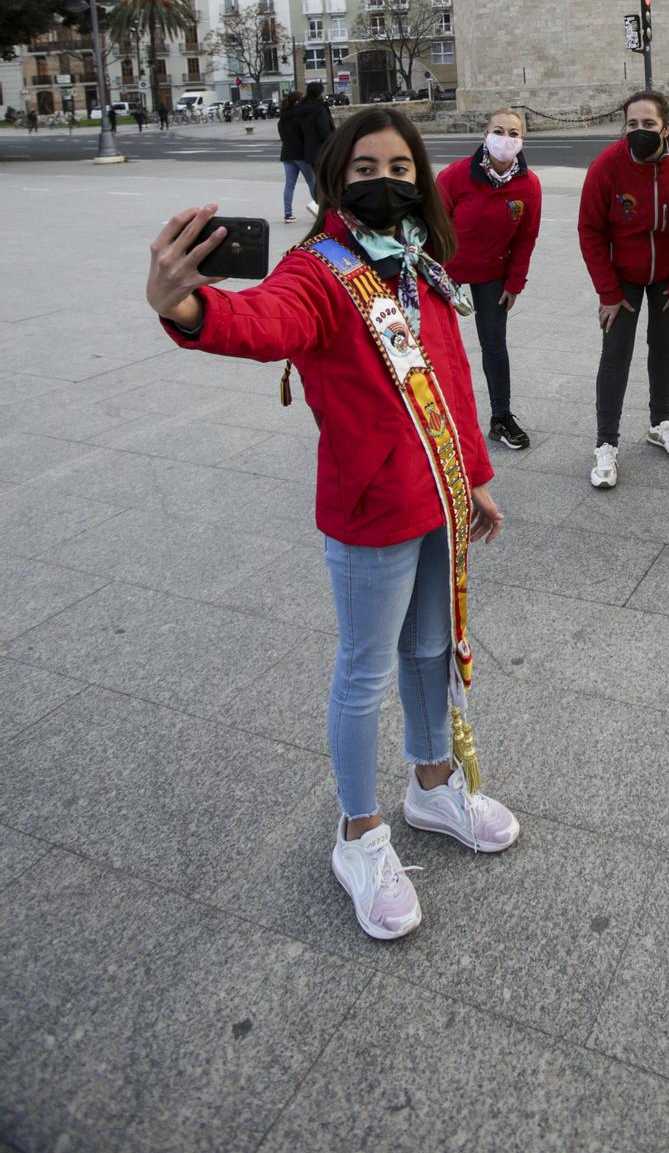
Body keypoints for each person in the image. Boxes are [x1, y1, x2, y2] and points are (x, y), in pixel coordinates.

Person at [144, 106, 517, 942]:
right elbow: (263, 321)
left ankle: (431, 786)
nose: (383, 182)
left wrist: (476, 481)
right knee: (363, 671)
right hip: (370, 505)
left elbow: (452, 383)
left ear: (419, 178)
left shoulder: (415, 262)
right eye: (363, 171)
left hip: (437, 495)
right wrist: (191, 310)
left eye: (398, 168)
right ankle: (359, 836)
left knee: (428, 650)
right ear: (333, 181)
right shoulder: (321, 269)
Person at [577, 88, 669, 489]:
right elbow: (590, 230)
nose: (639, 130)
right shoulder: (607, 165)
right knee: (615, 354)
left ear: (665, 127)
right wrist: (607, 291)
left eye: (648, 124)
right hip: (623, 278)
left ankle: (661, 423)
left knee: (664, 346)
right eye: (632, 124)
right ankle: (606, 444)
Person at [438, 107, 542, 451]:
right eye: (499, 130)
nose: (506, 138)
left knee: (494, 345)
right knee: (437, 345)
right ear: (485, 135)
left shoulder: (529, 186)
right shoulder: (455, 176)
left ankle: (501, 417)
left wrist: (516, 282)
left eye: (514, 133)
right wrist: (431, 274)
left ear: (522, 139)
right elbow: (433, 225)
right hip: (447, 272)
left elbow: (526, 237)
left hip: (493, 275)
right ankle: (435, 418)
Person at [278, 91, 318, 222]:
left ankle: (288, 213)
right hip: (300, 153)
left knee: (289, 184)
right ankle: (320, 208)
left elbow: (282, 137)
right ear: (298, 102)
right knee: (312, 182)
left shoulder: (283, 117)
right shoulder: (301, 116)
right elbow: (306, 135)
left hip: (287, 153)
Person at [294, 82, 335, 175]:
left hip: (309, 150)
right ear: (320, 93)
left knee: (318, 179)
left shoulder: (300, 108)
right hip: (322, 150)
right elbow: (325, 132)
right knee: (326, 180)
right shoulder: (319, 109)